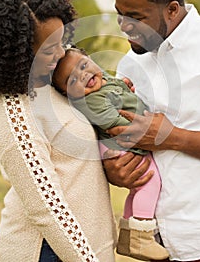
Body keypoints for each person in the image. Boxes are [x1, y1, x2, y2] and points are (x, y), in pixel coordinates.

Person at [0, 0, 123, 262]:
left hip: (81, 246)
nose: (62, 53)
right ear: (18, 50)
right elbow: (47, 208)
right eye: (50, 48)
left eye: (62, 41)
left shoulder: (50, 84)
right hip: (47, 251)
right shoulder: (11, 110)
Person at [102, 0, 200, 262]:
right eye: (119, 15)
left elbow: (160, 137)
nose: (125, 26)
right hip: (156, 242)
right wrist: (114, 169)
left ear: (172, 9)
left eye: (135, 16)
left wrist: (171, 137)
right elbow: (123, 134)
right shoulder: (130, 63)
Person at [52, 46, 169, 261]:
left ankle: (126, 236)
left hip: (120, 142)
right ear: (67, 94)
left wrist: (123, 87)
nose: (84, 75)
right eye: (72, 80)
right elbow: (115, 126)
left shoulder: (102, 81)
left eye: (84, 65)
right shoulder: (92, 101)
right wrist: (151, 135)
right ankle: (141, 236)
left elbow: (113, 85)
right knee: (149, 181)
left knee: (136, 191)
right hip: (120, 144)